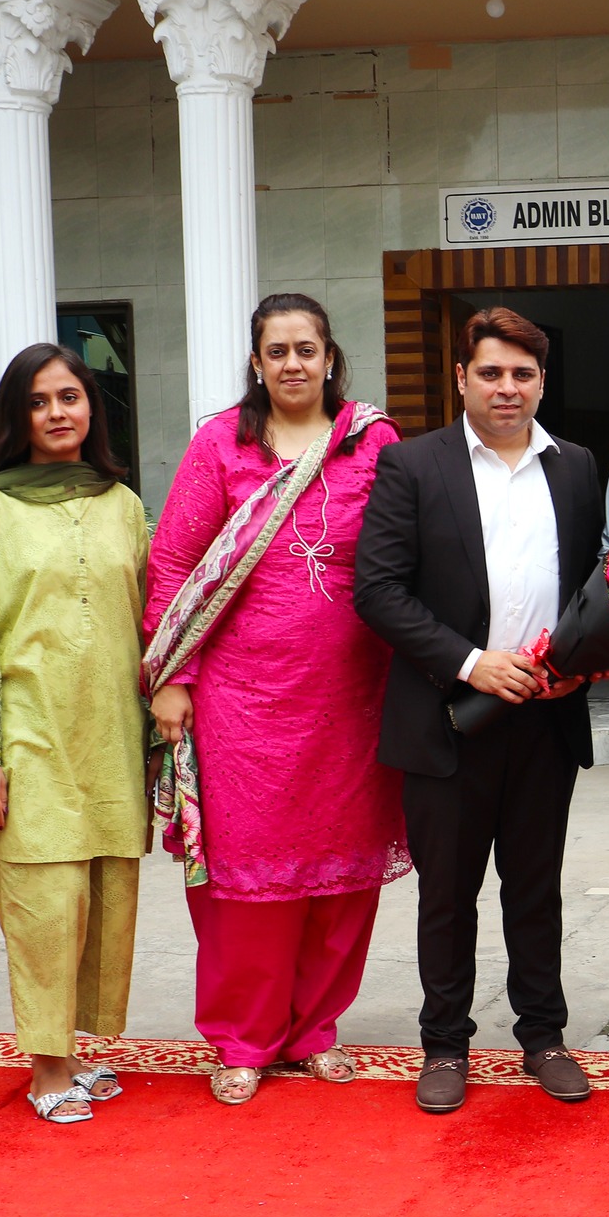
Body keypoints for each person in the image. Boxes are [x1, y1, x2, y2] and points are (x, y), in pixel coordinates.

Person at [145, 294, 408, 1107]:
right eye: (277, 351)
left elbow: (411, 550)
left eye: (307, 348)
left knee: (342, 876)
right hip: (241, 704)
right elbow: (174, 562)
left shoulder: (372, 441)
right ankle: (244, 1037)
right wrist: (172, 679)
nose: (293, 363)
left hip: (354, 697)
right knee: (243, 880)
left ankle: (313, 1028)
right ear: (257, 363)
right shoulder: (222, 443)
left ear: (331, 357)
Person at [353, 307, 604, 1116]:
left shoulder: (574, 465)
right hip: (446, 717)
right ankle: (445, 1045)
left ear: (542, 383)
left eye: (522, 374)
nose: (507, 387)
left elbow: (593, 585)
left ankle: (544, 1037)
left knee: (535, 888)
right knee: (447, 894)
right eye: (490, 372)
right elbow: (377, 590)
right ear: (461, 378)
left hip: (544, 716)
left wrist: (579, 665)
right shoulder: (413, 466)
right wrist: (471, 662)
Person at [0, 343, 149, 1124]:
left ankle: (72, 1049)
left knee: (100, 900)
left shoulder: (122, 504)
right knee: (43, 905)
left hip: (108, 737)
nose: (57, 412)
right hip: (24, 738)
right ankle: (48, 1065)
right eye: (40, 400)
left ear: (92, 407)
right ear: (16, 415)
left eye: (71, 396)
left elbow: (149, 620)